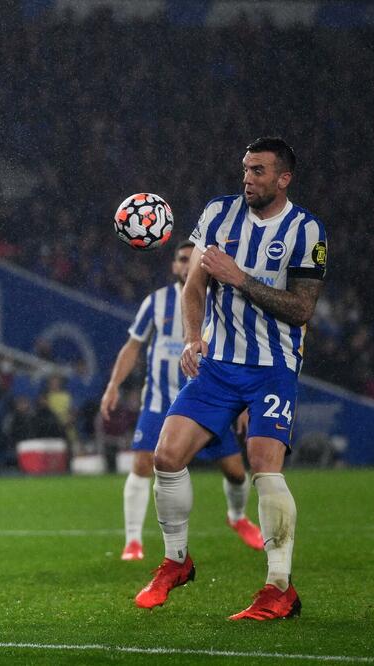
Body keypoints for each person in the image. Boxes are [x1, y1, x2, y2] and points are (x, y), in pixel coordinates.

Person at [134, 137, 326, 621]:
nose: (247, 179)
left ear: (283, 178)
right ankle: (176, 561)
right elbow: (194, 285)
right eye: (245, 169)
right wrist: (192, 337)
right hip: (218, 364)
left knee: (264, 467)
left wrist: (240, 278)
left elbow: (301, 309)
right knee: (166, 456)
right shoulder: (219, 214)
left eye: (258, 171)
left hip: (273, 366)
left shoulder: (306, 230)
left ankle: (279, 588)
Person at [101, 241, 263, 562]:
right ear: (174, 266)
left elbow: (237, 352)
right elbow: (133, 346)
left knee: (235, 472)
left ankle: (237, 517)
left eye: (192, 259)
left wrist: (243, 403)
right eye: (181, 259)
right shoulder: (156, 302)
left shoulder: (221, 301)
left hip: (208, 400)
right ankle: (133, 541)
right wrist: (113, 385)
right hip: (159, 401)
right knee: (142, 464)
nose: (187, 264)